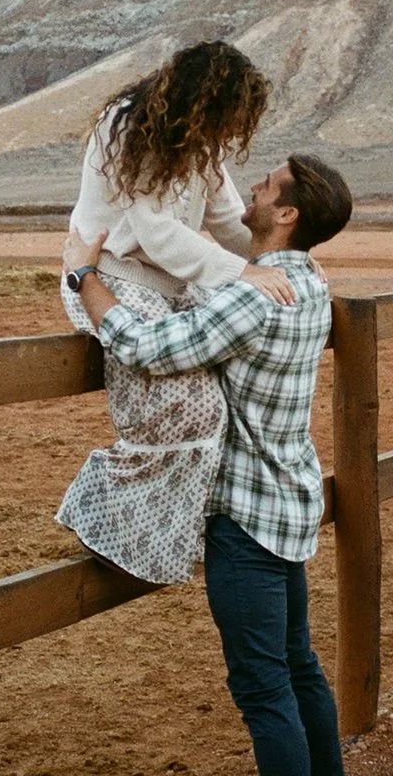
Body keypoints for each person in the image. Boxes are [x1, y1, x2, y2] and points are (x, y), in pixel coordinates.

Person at [63, 152, 354, 776]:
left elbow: (146, 350)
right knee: (298, 667)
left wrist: (84, 278)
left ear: (287, 213)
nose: (251, 190)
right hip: (286, 500)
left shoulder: (252, 301)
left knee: (263, 686)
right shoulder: (312, 285)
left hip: (244, 516)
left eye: (266, 186)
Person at [56, 41, 294, 585]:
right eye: (230, 117)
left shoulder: (197, 144)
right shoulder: (128, 129)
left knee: (236, 387)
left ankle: (181, 531)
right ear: (205, 102)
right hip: (108, 276)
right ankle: (100, 515)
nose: (233, 132)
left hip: (173, 283)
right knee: (191, 406)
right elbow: (156, 232)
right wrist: (242, 274)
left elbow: (232, 221)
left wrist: (284, 263)